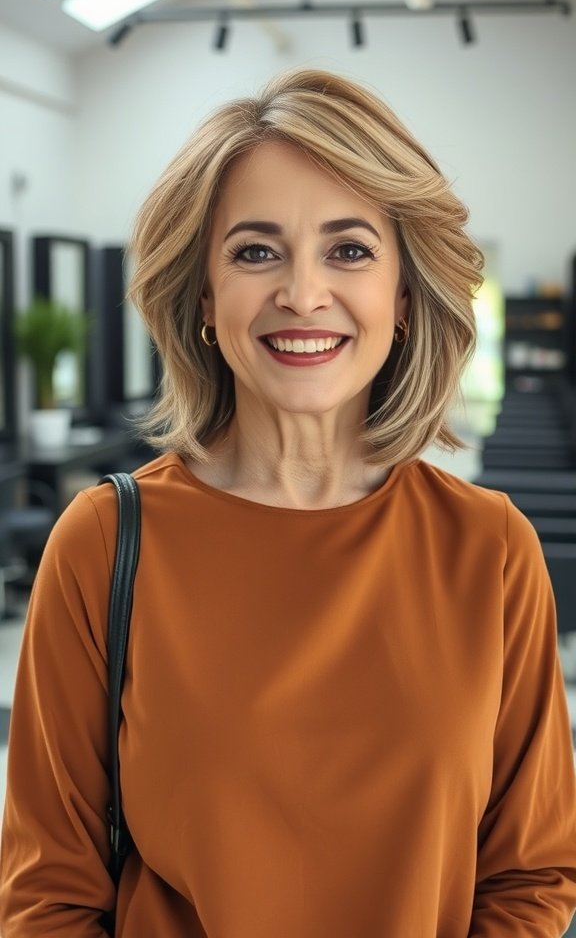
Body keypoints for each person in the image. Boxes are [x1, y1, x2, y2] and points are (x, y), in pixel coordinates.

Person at [1, 68, 575, 937]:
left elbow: (532, 874)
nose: (302, 294)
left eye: (348, 250)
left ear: (405, 297)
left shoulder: (489, 547)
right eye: (255, 251)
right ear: (202, 295)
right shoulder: (105, 541)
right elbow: (47, 895)